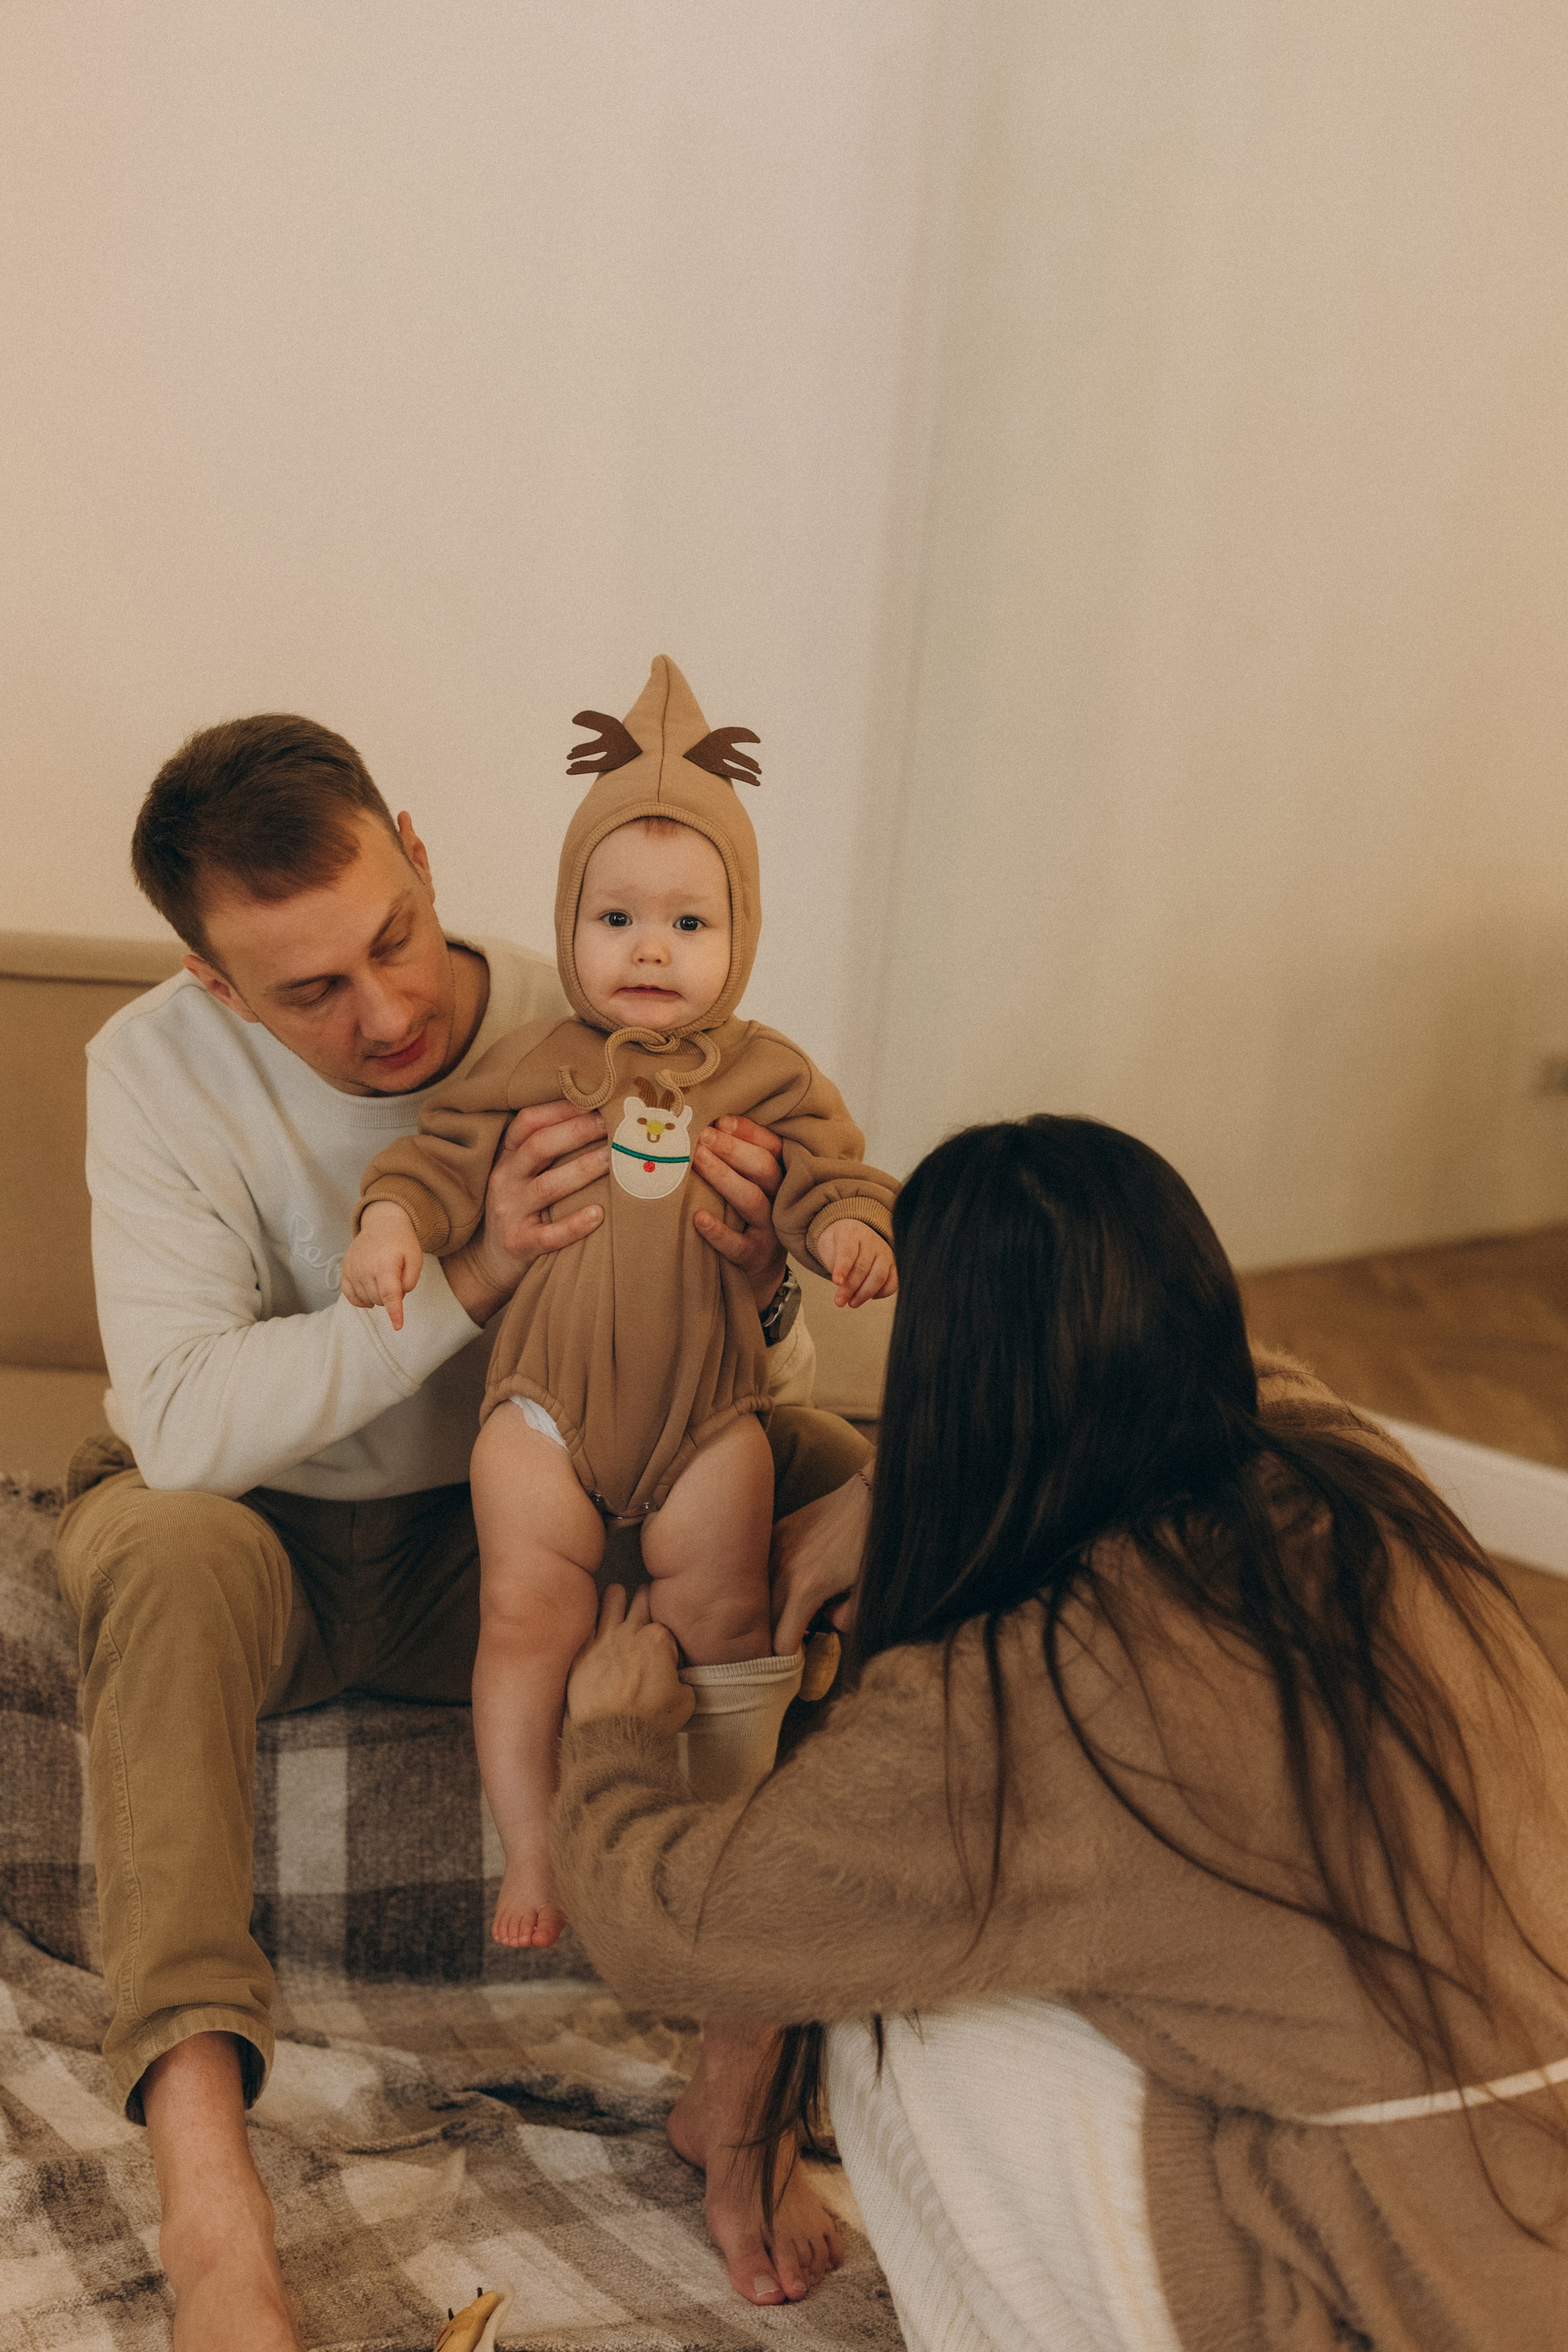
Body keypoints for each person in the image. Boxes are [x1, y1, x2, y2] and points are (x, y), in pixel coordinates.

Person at [53, 713, 865, 2351]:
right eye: (311, 992)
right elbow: (186, 1427)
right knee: (158, 1546)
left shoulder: (600, 1010)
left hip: (499, 1532)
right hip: (264, 1542)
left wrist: (759, 1277)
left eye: (397, 937)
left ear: (418, 855)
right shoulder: (149, 1068)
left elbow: (743, 1391)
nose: (389, 1013)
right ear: (217, 984)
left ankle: (740, 2087)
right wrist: (475, 1274)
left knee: (849, 1478)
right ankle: (214, 2212)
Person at [556, 1115, 1568, 2351]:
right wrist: (876, 1492)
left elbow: (680, 1929)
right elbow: (1247, 1370)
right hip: (1531, 2209)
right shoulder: (1349, 1474)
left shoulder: (1025, 1698)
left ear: (946, 1386)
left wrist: (610, 1742)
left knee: (894, 2009)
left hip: (1401, 2291)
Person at [342, 656, 897, 1948]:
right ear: (570, 923)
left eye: (690, 924)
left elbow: (833, 1173)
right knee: (524, 1615)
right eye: (616, 918)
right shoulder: (533, 1063)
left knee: (724, 1617)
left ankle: (707, 1850)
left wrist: (848, 1232)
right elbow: (434, 1160)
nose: (651, 947)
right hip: (542, 1414)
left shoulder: (772, 1077)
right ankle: (534, 1854)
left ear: (740, 937)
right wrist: (390, 1226)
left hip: (709, 1418)